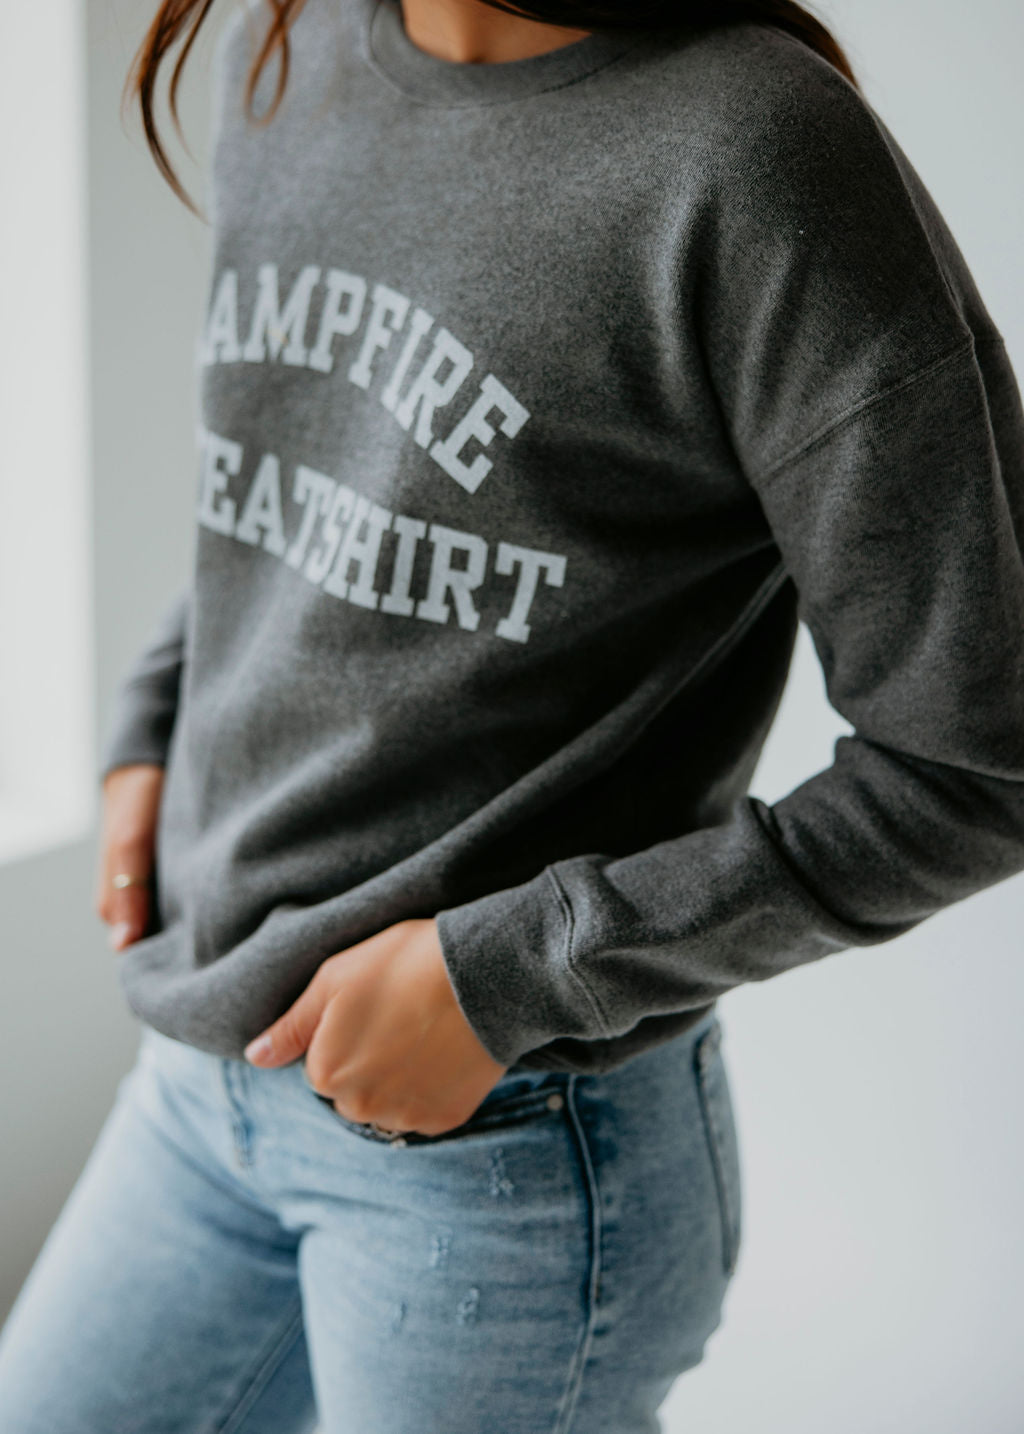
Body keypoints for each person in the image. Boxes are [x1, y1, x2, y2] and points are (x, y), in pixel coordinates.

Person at [2, 0, 1023, 1429]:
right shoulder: (283, 46)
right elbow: (305, 479)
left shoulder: (756, 152)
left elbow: (980, 759)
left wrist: (512, 976)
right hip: (202, 1065)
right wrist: (153, 716)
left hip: (507, 1154)